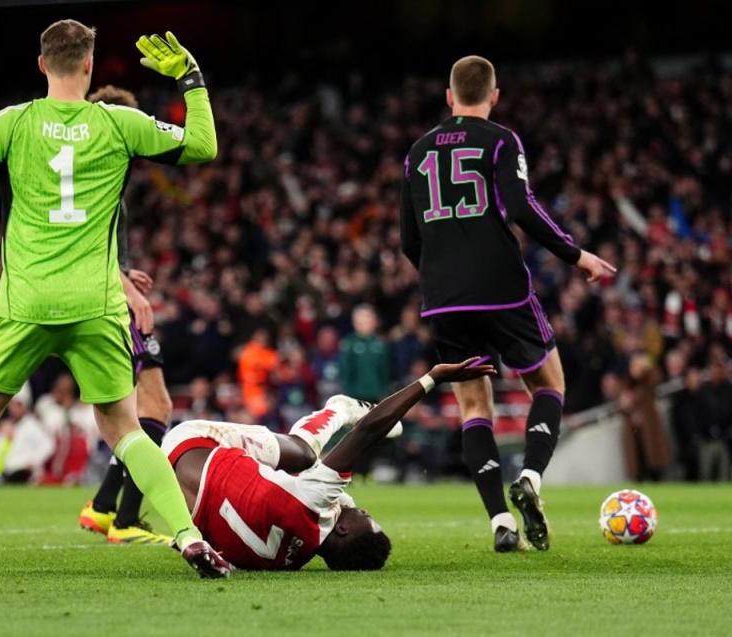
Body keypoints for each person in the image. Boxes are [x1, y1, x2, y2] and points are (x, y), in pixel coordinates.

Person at [0, 22, 230, 582]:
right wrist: (190, 80)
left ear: (40, 65)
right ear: (90, 66)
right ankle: (190, 538)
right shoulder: (119, 123)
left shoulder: (14, 122)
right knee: (126, 429)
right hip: (95, 303)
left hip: (26, 301)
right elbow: (203, 145)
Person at [399, 55, 616, 552]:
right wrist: (577, 254)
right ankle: (532, 479)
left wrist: (442, 276)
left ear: (449, 96)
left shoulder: (416, 152)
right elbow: (521, 208)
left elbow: (409, 238)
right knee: (549, 380)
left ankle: (500, 521)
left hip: (443, 297)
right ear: (493, 97)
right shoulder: (500, 139)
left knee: (474, 405)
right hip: (499, 286)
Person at [160, 357, 494, 570]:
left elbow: (368, 431)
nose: (360, 508)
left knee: (305, 453)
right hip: (171, 488)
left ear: (344, 530)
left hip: (194, 442)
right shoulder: (290, 562)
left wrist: (430, 380)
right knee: (292, 476)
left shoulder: (313, 502)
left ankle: (339, 408)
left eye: (363, 514)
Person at [78, 85, 178, 546]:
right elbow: (87, 246)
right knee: (151, 409)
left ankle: (103, 508)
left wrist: (122, 273)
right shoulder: (99, 177)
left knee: (142, 408)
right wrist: (122, 288)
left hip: (107, 289)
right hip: (106, 301)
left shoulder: (99, 175)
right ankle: (124, 519)